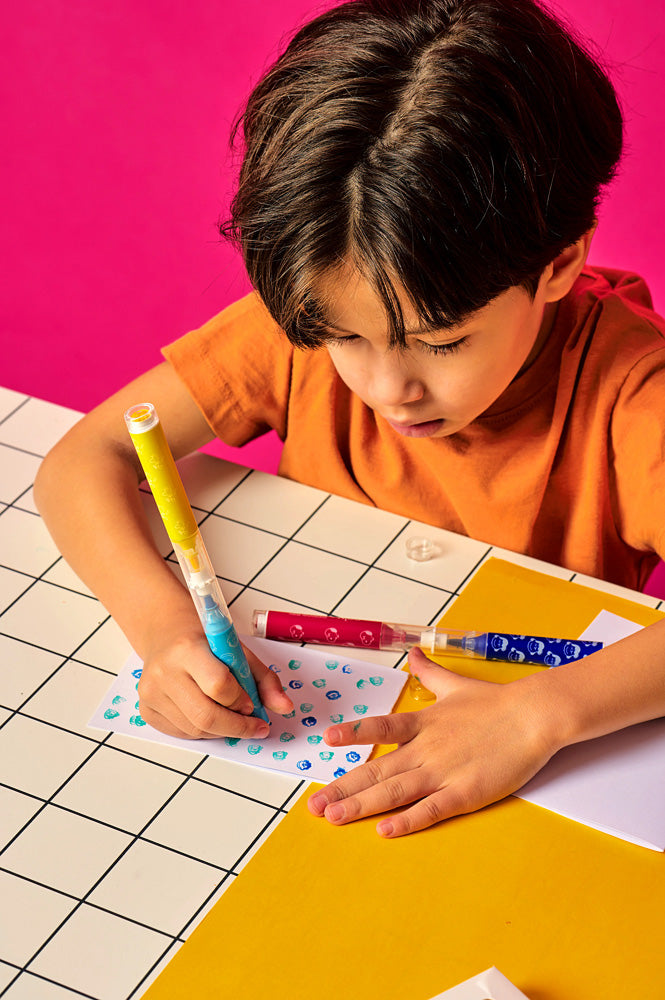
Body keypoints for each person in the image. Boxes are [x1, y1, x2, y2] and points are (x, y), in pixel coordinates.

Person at [35, 0, 665, 839]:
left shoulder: (632, 392)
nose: (383, 386)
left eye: (439, 343)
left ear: (558, 263)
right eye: (342, 340)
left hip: (519, 774)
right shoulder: (316, 303)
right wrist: (164, 632)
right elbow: (87, 456)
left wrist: (538, 714)